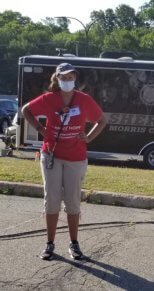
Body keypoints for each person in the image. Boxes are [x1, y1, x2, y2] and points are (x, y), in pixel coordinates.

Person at [22, 63, 107, 260]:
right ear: (57, 79)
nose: (67, 81)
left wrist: (89, 137)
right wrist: (40, 129)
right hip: (51, 155)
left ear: (75, 79)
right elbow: (27, 110)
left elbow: (101, 120)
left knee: (72, 202)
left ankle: (74, 243)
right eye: (64, 77)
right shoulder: (50, 99)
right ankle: (50, 244)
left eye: (70, 77)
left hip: (75, 158)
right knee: (51, 201)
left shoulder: (84, 100)